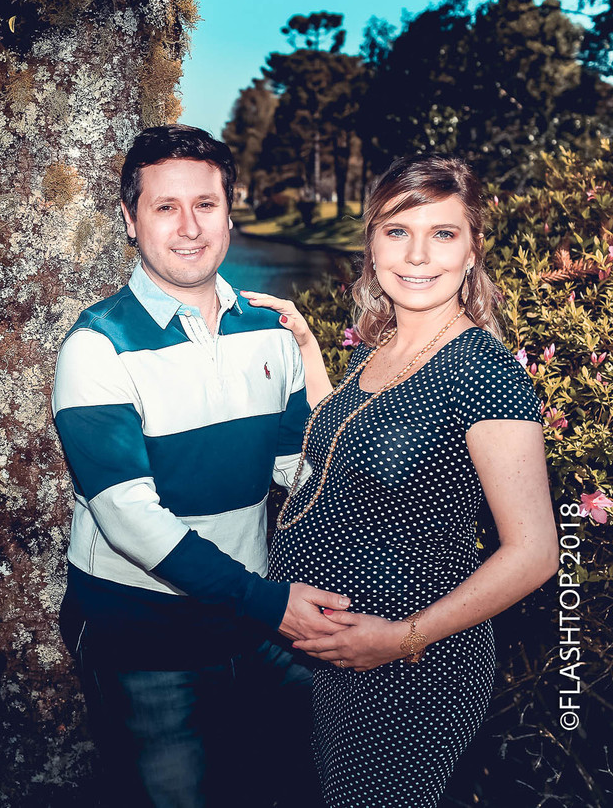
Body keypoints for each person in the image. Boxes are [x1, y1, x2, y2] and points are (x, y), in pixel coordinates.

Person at [243, 154, 558, 808]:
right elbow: (350, 450)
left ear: (472, 250)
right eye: (397, 231)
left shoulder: (484, 373)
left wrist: (401, 637)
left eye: (443, 233)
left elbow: (535, 551)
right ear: (372, 244)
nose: (418, 254)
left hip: (411, 668)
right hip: (331, 655)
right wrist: (306, 347)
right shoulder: (377, 349)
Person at [52, 124, 351, 808]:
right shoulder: (97, 348)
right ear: (130, 220)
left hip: (253, 623)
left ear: (229, 209)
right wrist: (271, 603)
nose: (189, 227)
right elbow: (130, 522)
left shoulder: (267, 330)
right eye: (165, 207)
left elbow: (295, 475)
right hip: (145, 638)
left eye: (205, 204)